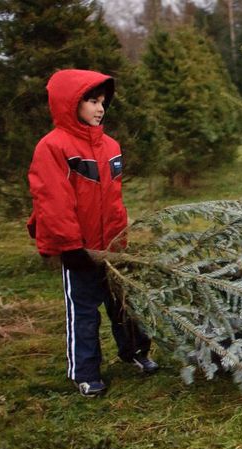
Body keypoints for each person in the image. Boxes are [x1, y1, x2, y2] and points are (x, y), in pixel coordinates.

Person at [27, 69, 157, 397]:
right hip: (80, 249)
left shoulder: (110, 146)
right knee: (84, 310)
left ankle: (136, 353)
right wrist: (70, 247)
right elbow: (53, 201)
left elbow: (113, 201)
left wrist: (120, 242)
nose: (100, 109)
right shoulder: (53, 147)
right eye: (91, 101)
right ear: (70, 104)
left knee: (124, 304)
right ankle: (84, 371)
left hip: (111, 247)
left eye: (102, 102)